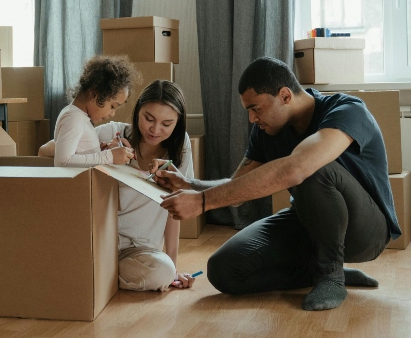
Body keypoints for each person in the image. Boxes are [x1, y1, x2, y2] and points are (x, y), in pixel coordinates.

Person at [154, 56, 401, 310]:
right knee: (224, 270)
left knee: (311, 167)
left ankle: (331, 276)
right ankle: (319, 271)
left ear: (285, 95)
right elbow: (237, 188)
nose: (251, 119)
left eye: (256, 108)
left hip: (367, 232)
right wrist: (190, 186)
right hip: (309, 223)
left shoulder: (347, 110)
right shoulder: (266, 131)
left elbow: (298, 168)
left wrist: (202, 202)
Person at [42, 78, 198, 291]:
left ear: (177, 124)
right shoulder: (112, 132)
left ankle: (94, 274)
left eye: (167, 124)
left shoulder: (181, 148)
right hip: (100, 241)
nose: (155, 129)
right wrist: (102, 153)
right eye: (148, 118)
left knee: (163, 272)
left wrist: (173, 266)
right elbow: (46, 150)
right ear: (137, 112)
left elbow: (175, 209)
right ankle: (95, 272)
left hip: (140, 251)